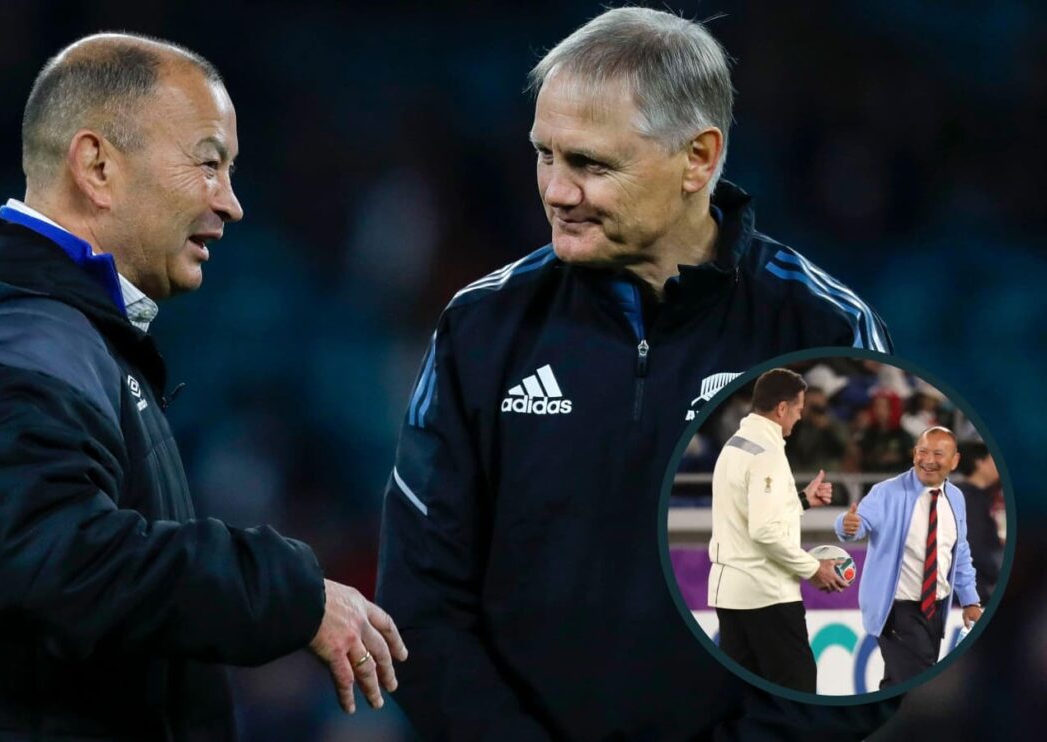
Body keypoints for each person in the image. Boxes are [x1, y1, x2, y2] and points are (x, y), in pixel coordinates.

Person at [0, 33, 405, 740]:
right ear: (97, 166)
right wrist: (286, 593)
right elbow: (57, 566)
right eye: (209, 165)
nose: (231, 203)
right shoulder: (13, 339)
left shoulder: (43, 328)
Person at [376, 6, 894, 739]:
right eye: (544, 154)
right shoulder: (481, 328)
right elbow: (419, 603)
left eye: (590, 163)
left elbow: (872, 622)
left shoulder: (822, 332)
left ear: (699, 158)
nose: (557, 190)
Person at [708, 369, 846, 693]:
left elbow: (749, 512)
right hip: (767, 595)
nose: (799, 418)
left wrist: (801, 501)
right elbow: (765, 531)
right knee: (798, 694)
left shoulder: (735, 445)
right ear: (782, 408)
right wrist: (813, 569)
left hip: (731, 595)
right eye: (799, 410)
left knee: (743, 698)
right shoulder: (768, 454)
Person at [836, 427, 982, 688]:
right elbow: (859, 523)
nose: (928, 460)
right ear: (914, 453)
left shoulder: (956, 498)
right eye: (922, 451)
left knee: (897, 686)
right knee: (922, 685)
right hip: (898, 611)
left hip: (936, 610)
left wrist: (970, 599)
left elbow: (958, 552)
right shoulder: (886, 492)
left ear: (955, 460)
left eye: (938, 453)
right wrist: (846, 526)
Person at [956, 441, 1004, 602]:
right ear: (980, 463)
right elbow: (972, 545)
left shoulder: (978, 497)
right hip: (974, 589)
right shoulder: (969, 499)